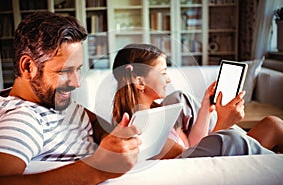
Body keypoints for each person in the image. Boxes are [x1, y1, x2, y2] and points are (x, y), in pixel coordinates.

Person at [0, 12, 142, 185]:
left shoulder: (56, 102)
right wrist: (99, 168)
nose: (76, 83)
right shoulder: (22, 118)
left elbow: (94, 123)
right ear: (27, 67)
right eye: (65, 71)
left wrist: (111, 139)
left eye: (78, 69)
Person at [111, 43, 283, 158]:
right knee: (254, 132)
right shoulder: (141, 128)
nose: (168, 79)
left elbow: (194, 146)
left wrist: (205, 109)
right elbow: (194, 161)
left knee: (272, 124)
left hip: (209, 157)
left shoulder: (159, 113)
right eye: (163, 72)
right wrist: (223, 124)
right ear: (140, 81)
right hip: (213, 170)